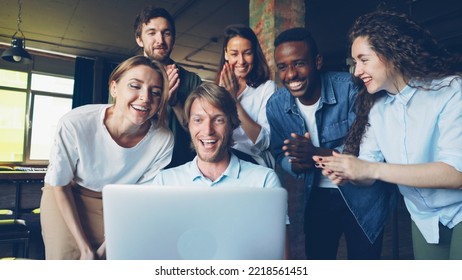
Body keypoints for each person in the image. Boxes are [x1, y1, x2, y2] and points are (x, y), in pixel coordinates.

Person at [313, 10, 462, 260]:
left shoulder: (451, 91)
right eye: (354, 62)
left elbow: (456, 173)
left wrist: (370, 170)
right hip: (423, 217)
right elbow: (368, 172)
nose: (356, 71)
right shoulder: (376, 107)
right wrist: (348, 172)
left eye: (364, 60)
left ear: (391, 53)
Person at [266, 27, 397, 259]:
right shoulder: (276, 105)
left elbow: (370, 150)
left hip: (362, 195)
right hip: (316, 196)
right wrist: (295, 164)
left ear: (317, 62)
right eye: (283, 67)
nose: (290, 74)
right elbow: (279, 153)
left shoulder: (350, 88)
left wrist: (315, 154)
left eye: (298, 63)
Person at [40, 56, 174, 260]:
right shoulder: (76, 122)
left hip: (118, 205)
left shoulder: (163, 139)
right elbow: (60, 185)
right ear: (114, 88)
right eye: (135, 86)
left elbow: (139, 200)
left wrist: (105, 249)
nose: (145, 98)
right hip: (68, 195)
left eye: (155, 92)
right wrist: (85, 249)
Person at [152, 82, 281, 189]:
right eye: (198, 120)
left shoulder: (264, 181)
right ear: (189, 125)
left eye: (218, 120)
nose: (208, 130)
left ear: (232, 125)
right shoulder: (165, 182)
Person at [134, 6, 202, 168]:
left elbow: (201, 133)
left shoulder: (192, 81)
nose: (160, 40)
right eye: (151, 33)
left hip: (180, 169)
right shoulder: (126, 79)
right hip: (137, 167)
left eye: (166, 33)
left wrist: (175, 102)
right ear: (139, 39)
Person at [215, 24, 276, 167]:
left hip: (253, 161)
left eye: (247, 53)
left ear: (255, 53)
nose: (241, 61)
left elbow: (264, 142)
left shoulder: (266, 88)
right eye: (234, 54)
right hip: (222, 161)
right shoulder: (217, 88)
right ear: (226, 54)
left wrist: (233, 101)